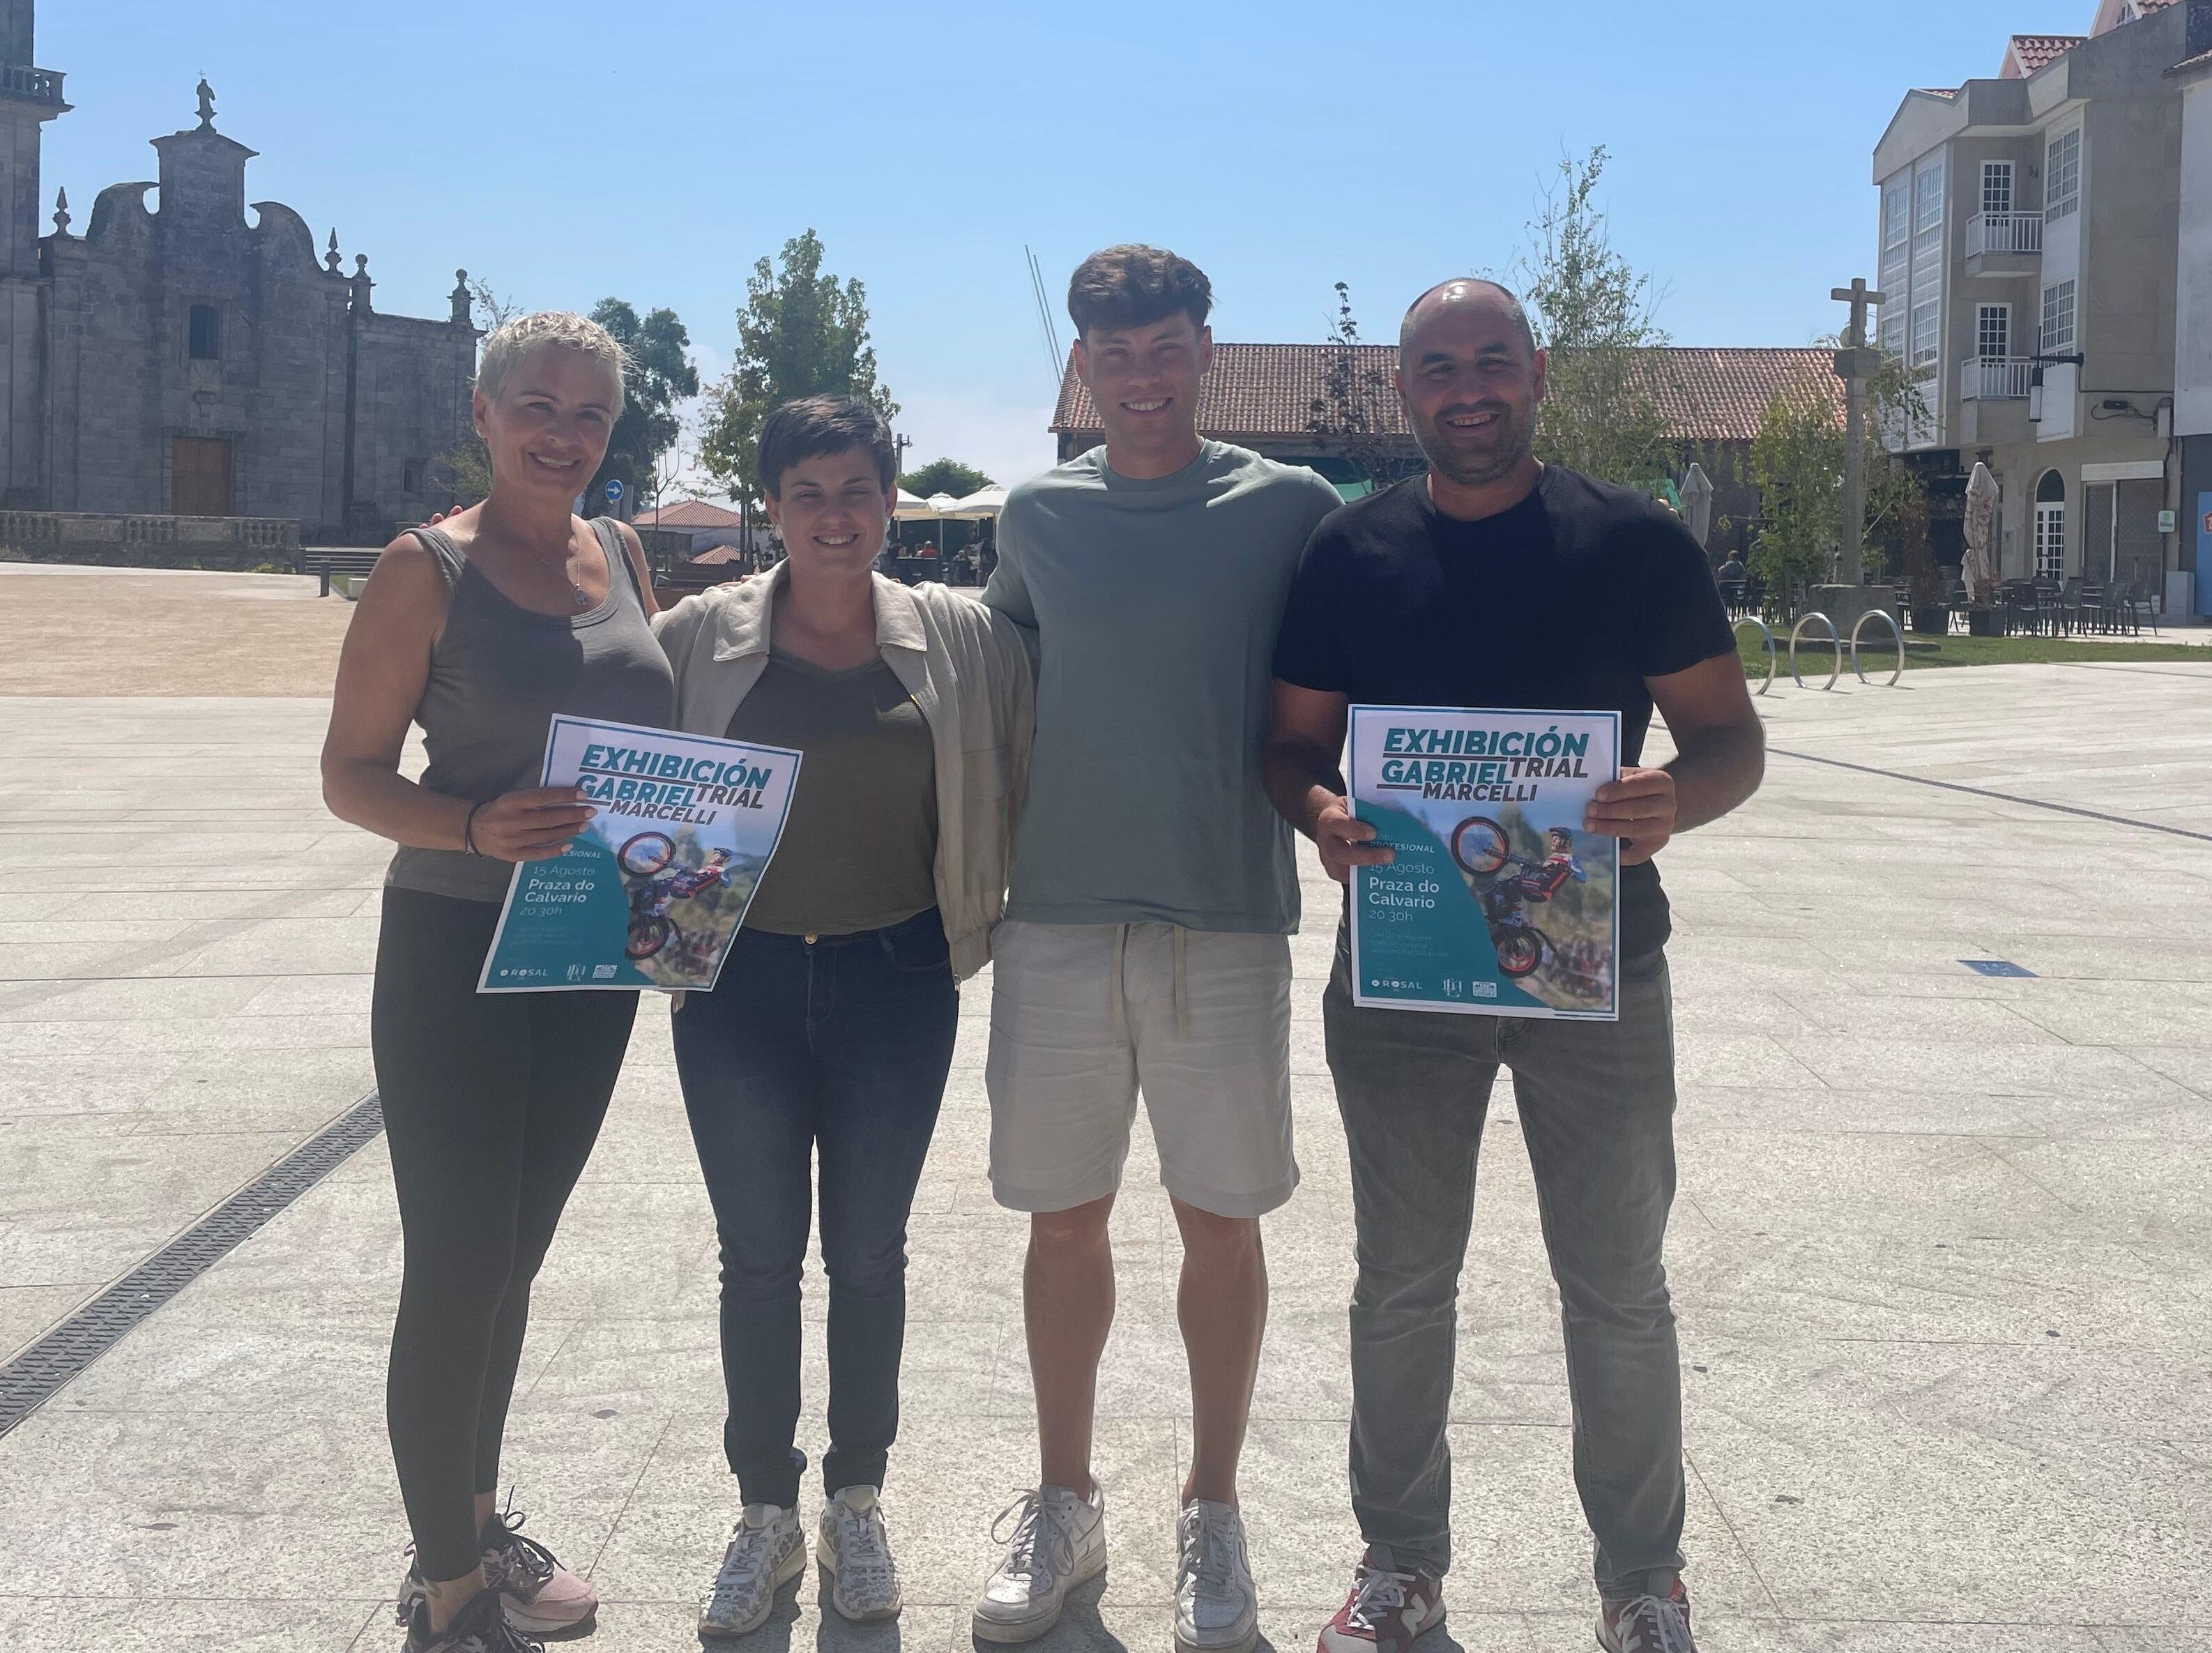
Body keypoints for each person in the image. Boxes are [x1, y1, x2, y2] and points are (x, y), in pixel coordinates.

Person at [1263, 279, 1765, 1653]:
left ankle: (1643, 1581)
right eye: (1439, 367)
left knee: (1617, 1287)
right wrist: (1318, 811)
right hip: (1406, 967)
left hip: (1597, 972)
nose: (1468, 388)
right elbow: (1292, 743)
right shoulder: (1350, 551)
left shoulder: (1635, 541)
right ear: (1403, 389)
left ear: (1537, 374)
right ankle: (1399, 1566)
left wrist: (1677, 798)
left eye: (1492, 361)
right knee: (1401, 1281)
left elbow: (1731, 740)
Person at [972, 245, 1343, 1653]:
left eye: (1165, 346)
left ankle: (1214, 1508)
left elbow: (1365, 661)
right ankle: (1065, 1499)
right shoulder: (1037, 515)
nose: (1141, 375)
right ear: (1085, 363)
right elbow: (982, 677)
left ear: (1205, 351)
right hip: (1057, 913)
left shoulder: (1289, 508)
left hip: (1224, 916)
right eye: (1114, 353)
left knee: (1220, 1224)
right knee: (1061, 1221)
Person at [653, 396, 1035, 1640]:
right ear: (771, 505)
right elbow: (610, 768)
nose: (833, 516)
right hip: (736, 988)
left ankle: (855, 1499)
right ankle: (764, 1510)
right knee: (758, 1258)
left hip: (897, 980)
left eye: (856, 490)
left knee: (869, 1256)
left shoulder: (960, 638)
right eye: (807, 493)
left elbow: (1039, 758)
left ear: (888, 499)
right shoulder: (695, 640)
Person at [321, 311, 673, 1653]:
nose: (563, 434)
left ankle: (475, 1530)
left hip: (587, 951)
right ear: (483, 414)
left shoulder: (620, 552)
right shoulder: (425, 569)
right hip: (455, 946)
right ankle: (448, 1593)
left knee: (514, 1256)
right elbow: (350, 776)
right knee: (457, 1263)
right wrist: (471, 826)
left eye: (589, 414)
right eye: (537, 405)